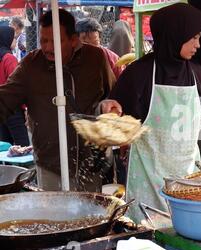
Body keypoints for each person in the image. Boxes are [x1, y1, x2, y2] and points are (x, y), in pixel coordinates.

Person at [104, 3, 201, 219]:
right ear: (174, 33)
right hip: (148, 179)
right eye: (193, 38)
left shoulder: (197, 72)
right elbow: (112, 118)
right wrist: (109, 111)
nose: (198, 45)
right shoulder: (139, 73)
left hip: (188, 177)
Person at [0, 9, 116, 192]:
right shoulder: (31, 65)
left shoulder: (95, 59)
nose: (47, 47)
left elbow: (111, 95)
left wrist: (109, 106)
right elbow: (4, 100)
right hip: (50, 163)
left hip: (90, 161)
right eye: (44, 41)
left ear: (73, 39)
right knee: (55, 217)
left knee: (89, 217)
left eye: (55, 41)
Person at [0, 26, 29, 147]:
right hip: (13, 109)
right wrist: (26, 108)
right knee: (23, 145)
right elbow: (18, 86)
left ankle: (7, 167)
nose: (15, 41)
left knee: (6, 146)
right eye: (13, 38)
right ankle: (22, 167)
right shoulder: (9, 59)